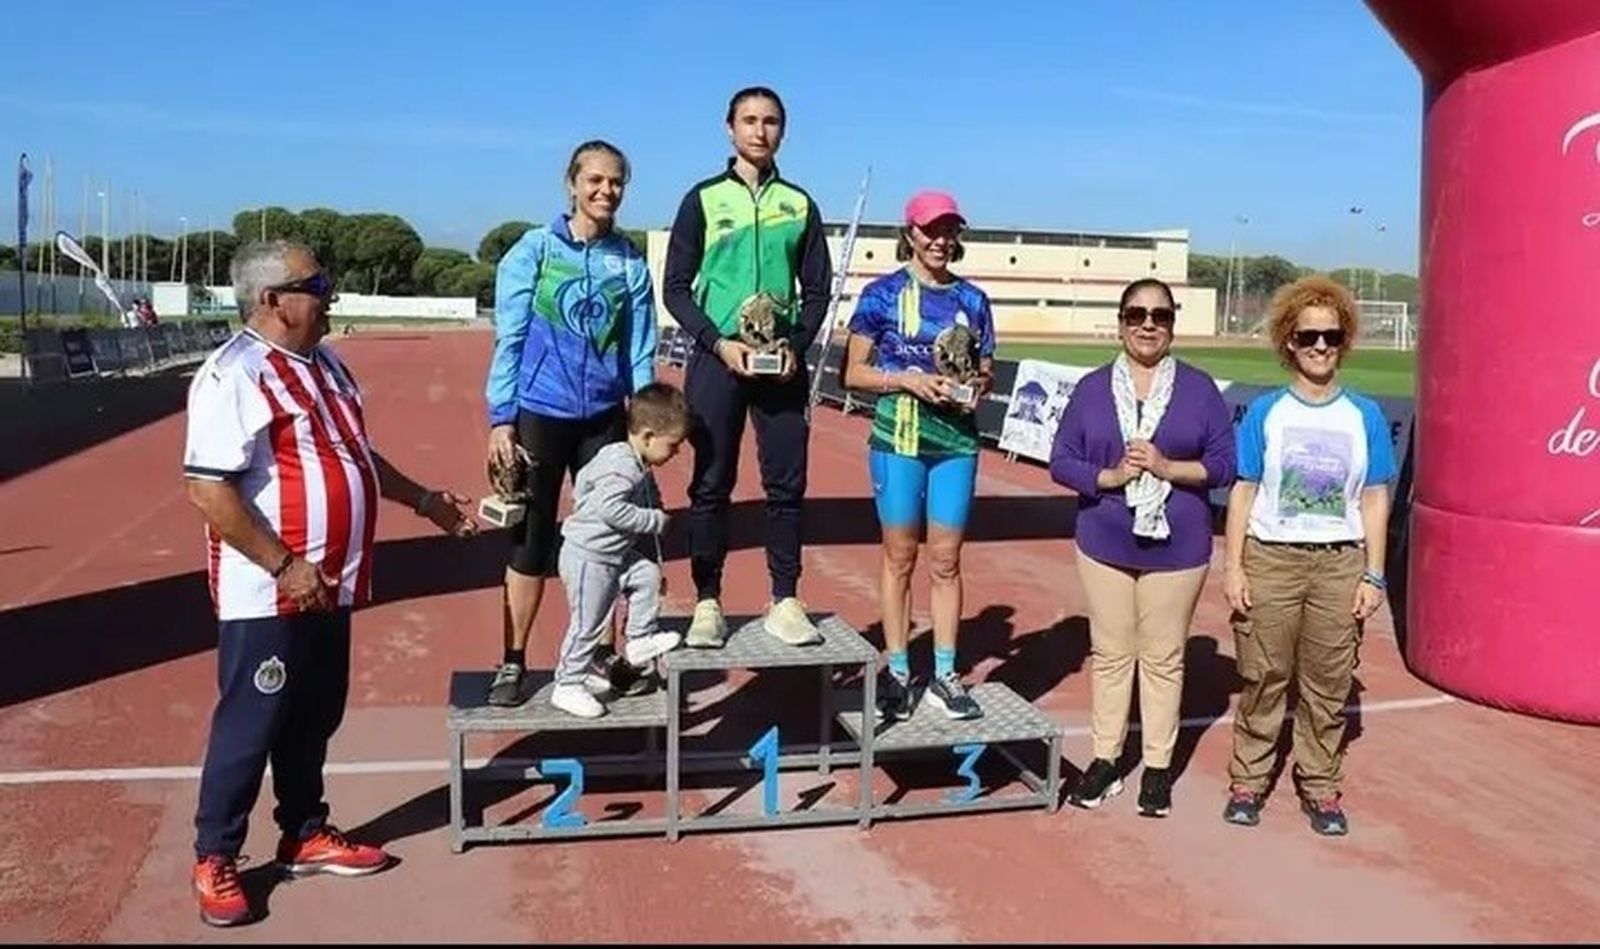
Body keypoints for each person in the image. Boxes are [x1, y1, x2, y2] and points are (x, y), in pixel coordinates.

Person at [182, 240, 477, 927]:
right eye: (316, 283)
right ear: (271, 300)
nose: (330, 292)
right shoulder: (234, 375)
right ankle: (215, 853)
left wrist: (423, 499)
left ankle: (304, 830)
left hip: (331, 582)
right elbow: (208, 489)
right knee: (251, 720)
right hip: (271, 589)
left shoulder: (326, 364)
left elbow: (354, 454)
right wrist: (284, 563)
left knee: (315, 714)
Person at [1048, 278, 1236, 817]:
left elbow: (1224, 465)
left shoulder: (1200, 391)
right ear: (1121, 321)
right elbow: (1061, 459)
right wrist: (1105, 477)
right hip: (1104, 539)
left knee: (1163, 658)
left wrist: (1167, 467)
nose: (1147, 324)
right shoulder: (1090, 389)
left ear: (1173, 322)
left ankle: (1156, 766)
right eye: (1136, 314)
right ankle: (1106, 758)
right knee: (1110, 656)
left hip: (1179, 545)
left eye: (1159, 314)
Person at [483, 140, 659, 706]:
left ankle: (596, 659)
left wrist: (644, 414)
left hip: (605, 420)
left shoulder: (628, 260)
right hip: (540, 414)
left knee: (606, 544)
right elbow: (509, 337)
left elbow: (640, 347)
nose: (606, 191)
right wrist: (500, 419)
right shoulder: (533, 251)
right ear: (571, 183)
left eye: (616, 183)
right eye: (596, 181)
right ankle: (513, 661)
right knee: (530, 543)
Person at [1221, 274, 1394, 837]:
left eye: (1331, 336)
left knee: (1329, 681)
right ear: (1287, 342)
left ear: (1344, 342)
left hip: (1339, 564)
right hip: (1271, 558)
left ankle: (1319, 784)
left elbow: (1373, 497)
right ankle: (1249, 778)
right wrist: (1234, 566)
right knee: (1264, 675)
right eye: (1308, 336)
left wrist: (1374, 574)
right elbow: (1245, 490)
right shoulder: (1267, 412)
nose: (1320, 346)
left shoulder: (1364, 416)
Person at [663, 85, 834, 649]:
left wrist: (797, 345)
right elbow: (676, 289)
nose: (761, 131)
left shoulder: (800, 204)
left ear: (784, 130)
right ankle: (708, 601)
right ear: (729, 127)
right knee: (711, 483)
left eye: (772, 122)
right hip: (720, 358)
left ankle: (785, 598)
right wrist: (717, 342)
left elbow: (816, 291)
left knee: (786, 485)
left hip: (780, 361)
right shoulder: (704, 199)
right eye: (750, 120)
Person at [840, 190, 995, 721]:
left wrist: (975, 383)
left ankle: (946, 673)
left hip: (956, 443)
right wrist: (903, 380)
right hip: (899, 440)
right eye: (931, 230)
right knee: (900, 558)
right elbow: (852, 373)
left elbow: (986, 369)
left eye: (950, 230)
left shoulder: (974, 300)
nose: (940, 240)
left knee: (947, 561)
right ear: (909, 233)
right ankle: (899, 668)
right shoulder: (882, 296)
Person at [549, 383, 690, 717]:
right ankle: (567, 684)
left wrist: (649, 501)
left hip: (612, 555)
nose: (676, 453)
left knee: (647, 575)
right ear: (646, 435)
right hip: (589, 558)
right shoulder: (623, 467)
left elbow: (585, 479)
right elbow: (609, 509)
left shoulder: (627, 459)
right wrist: (651, 519)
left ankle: (640, 637)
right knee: (589, 623)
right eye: (672, 445)